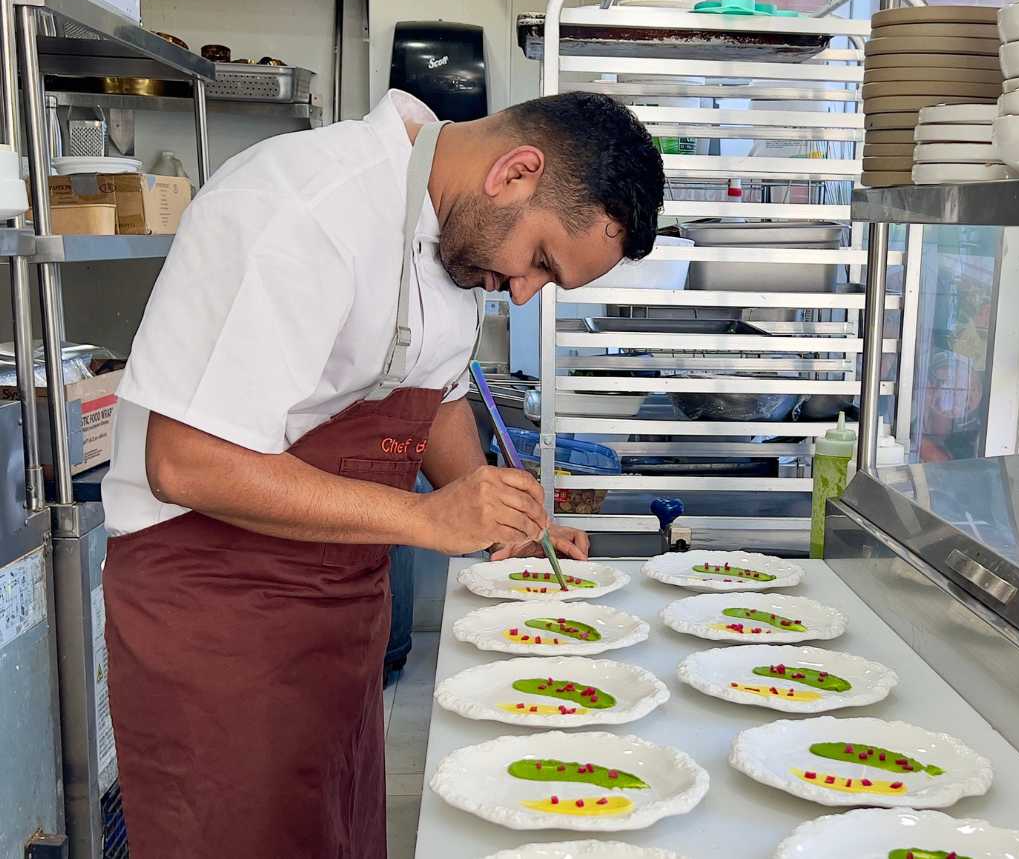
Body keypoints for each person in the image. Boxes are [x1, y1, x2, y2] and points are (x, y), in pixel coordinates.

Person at [100, 89, 665, 858]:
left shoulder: (453, 242)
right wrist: (430, 520)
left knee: (331, 833)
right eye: (539, 261)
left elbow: (432, 400)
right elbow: (185, 461)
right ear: (516, 172)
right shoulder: (303, 206)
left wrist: (512, 521)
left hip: (337, 613)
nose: (525, 291)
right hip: (217, 616)